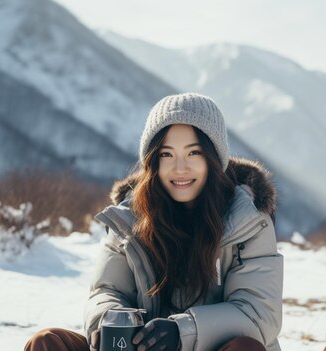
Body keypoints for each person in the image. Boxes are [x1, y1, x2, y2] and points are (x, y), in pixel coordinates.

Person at [24, 93, 283, 351]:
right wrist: (109, 322)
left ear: (214, 158)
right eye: (166, 154)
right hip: (137, 348)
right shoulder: (127, 218)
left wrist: (182, 332)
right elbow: (106, 292)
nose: (180, 168)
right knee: (47, 342)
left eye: (194, 152)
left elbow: (258, 315)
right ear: (152, 162)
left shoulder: (248, 221)